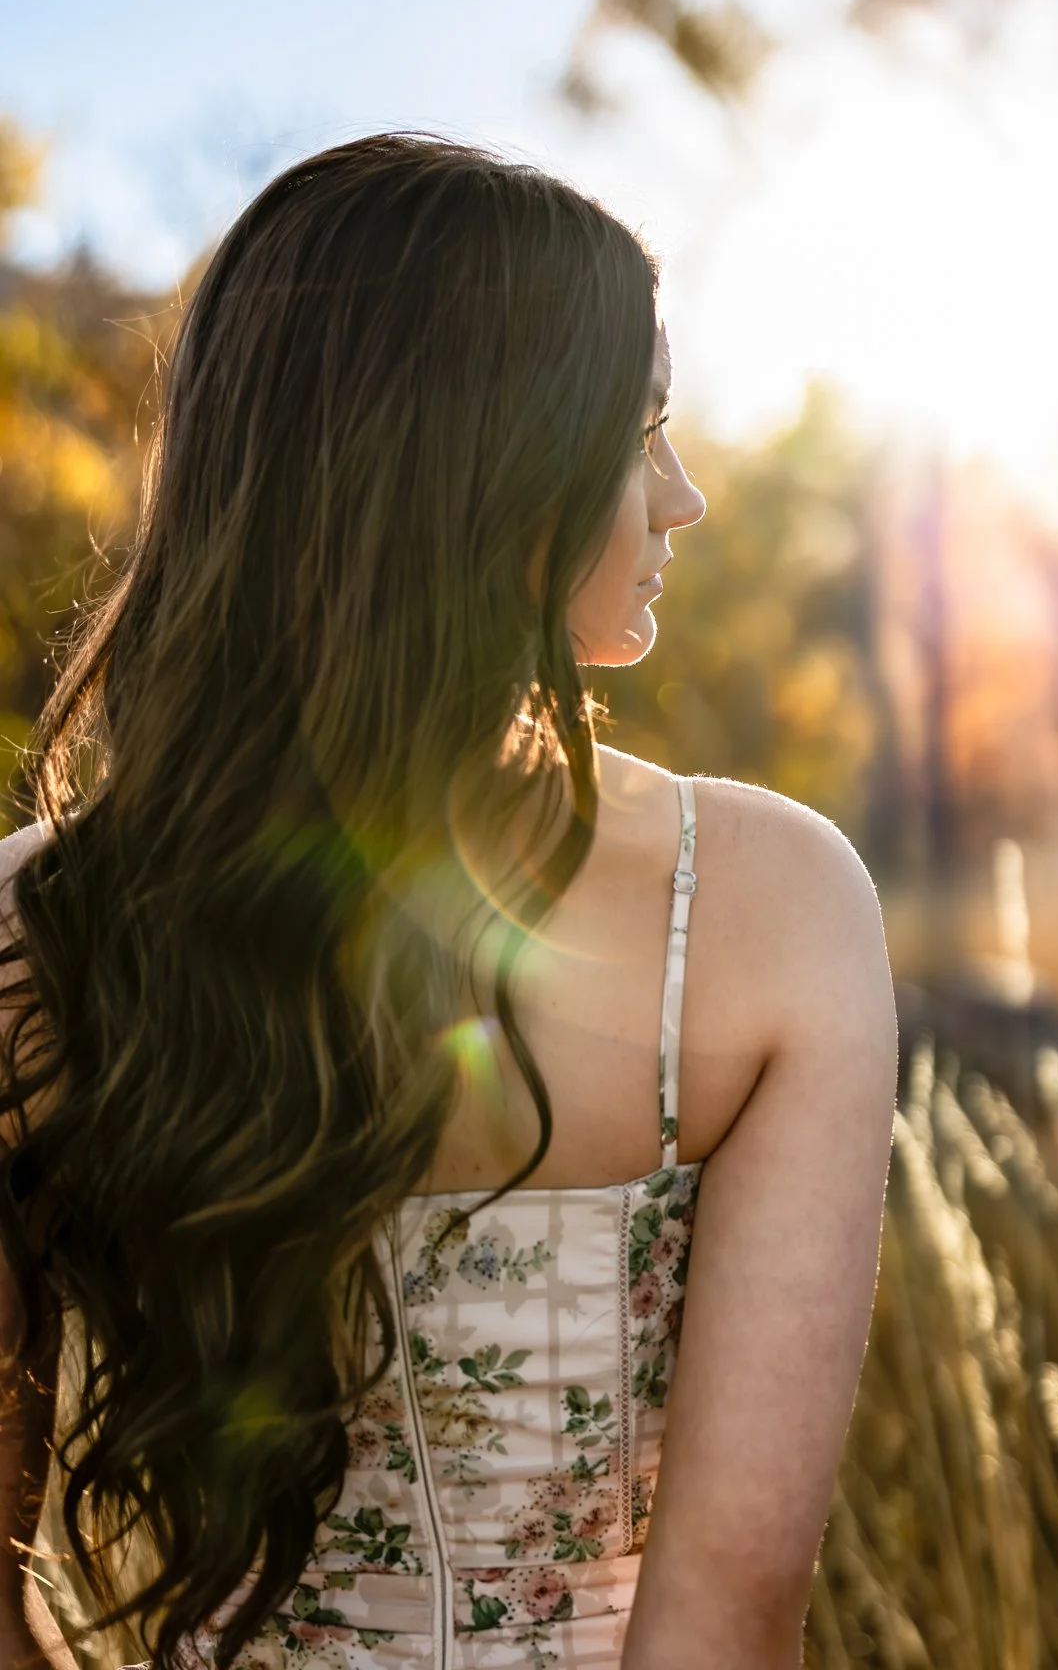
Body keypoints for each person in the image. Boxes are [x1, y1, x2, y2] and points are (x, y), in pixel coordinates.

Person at [0, 134, 898, 1670]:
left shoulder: (39, 929)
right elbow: (730, 1610)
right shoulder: (766, 908)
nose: (683, 499)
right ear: (479, 478)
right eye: (641, 431)